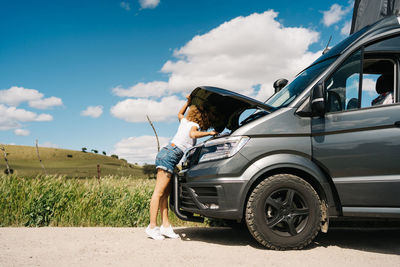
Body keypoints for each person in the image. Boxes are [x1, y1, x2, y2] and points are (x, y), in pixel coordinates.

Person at [145, 95, 218, 240]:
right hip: (170, 156)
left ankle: (165, 226)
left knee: (165, 195)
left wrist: (188, 102)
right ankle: (152, 226)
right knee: (158, 193)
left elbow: (179, 114)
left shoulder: (185, 121)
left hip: (167, 153)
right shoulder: (193, 125)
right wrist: (209, 133)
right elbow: (193, 134)